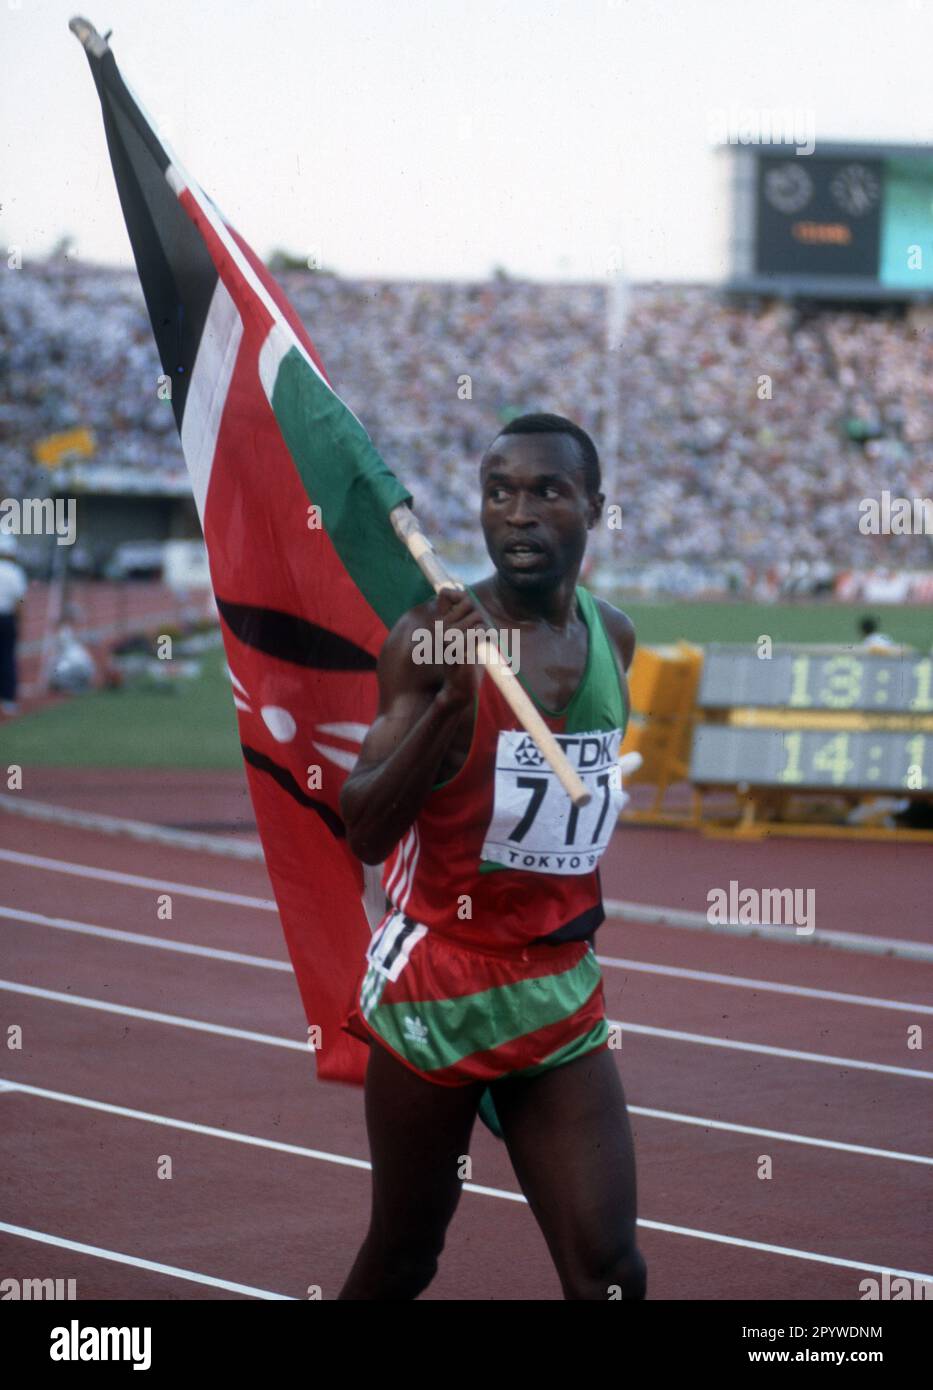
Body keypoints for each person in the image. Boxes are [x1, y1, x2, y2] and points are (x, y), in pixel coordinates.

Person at [337, 412, 646, 1301]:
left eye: (545, 492)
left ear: (593, 507)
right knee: (405, 1253)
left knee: (608, 1270)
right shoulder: (429, 638)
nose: (517, 513)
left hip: (556, 980)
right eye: (498, 493)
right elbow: (363, 830)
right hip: (440, 976)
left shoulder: (613, 639)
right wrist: (450, 709)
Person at [0, 535, 28, 716]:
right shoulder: (15, 572)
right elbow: (20, 602)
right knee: (7, 658)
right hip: (6, 619)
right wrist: (21, 623)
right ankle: (8, 700)